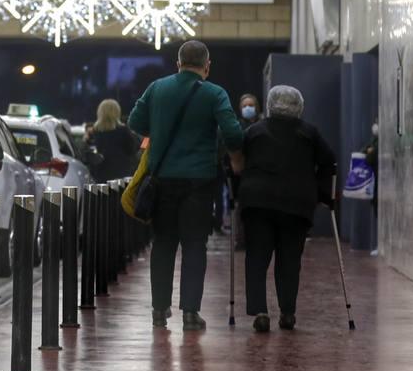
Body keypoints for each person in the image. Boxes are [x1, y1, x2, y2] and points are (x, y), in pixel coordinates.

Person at [127, 40, 244, 331]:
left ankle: (159, 310)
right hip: (199, 182)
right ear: (207, 65)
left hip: (162, 179)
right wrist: (233, 155)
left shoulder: (157, 88)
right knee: (195, 245)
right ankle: (190, 313)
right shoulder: (215, 93)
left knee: (164, 243)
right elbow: (233, 132)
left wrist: (161, 133)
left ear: (177, 64)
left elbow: (134, 121)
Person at [236, 85, 337, 333]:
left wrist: (239, 191)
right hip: (296, 205)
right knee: (290, 260)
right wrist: (324, 195)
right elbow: (329, 161)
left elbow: (238, 163)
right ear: (299, 106)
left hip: (258, 203)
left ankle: (260, 311)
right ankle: (288, 312)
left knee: (257, 258)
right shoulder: (309, 133)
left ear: (269, 105)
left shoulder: (254, 131)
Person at [227, 93, 262, 249]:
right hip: (241, 174)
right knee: (241, 208)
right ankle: (241, 240)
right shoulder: (238, 126)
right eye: (244, 106)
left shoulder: (262, 125)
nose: (248, 108)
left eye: (251, 105)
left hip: (259, 172)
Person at [90, 98, 139, 182]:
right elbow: (133, 149)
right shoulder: (124, 131)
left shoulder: (94, 133)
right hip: (123, 174)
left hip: (101, 175)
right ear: (116, 113)